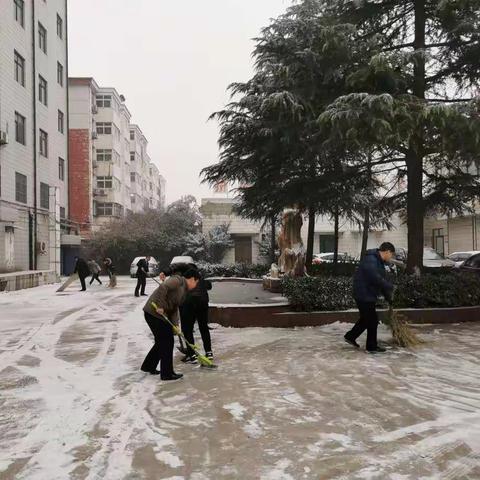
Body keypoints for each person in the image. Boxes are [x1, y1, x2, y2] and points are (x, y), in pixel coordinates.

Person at [141, 268, 200, 380]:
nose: (196, 285)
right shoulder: (178, 280)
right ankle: (167, 373)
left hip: (159, 315)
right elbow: (163, 287)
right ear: (192, 279)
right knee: (167, 341)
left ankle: (148, 366)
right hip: (153, 313)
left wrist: (175, 325)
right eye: (196, 282)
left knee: (161, 342)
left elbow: (174, 309)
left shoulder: (184, 291)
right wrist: (160, 306)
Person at [344, 242, 395, 354]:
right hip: (364, 294)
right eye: (391, 254)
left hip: (367, 294)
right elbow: (375, 278)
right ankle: (371, 347)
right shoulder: (371, 259)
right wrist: (389, 286)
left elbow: (379, 281)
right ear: (387, 252)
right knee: (372, 320)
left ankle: (350, 336)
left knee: (366, 319)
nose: (391, 257)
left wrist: (388, 297)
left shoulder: (378, 261)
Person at [180, 272, 213, 364]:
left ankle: (192, 355)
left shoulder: (186, 282)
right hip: (203, 305)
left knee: (188, 330)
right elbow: (209, 285)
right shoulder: (202, 281)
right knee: (204, 328)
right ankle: (209, 352)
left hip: (190, 305)